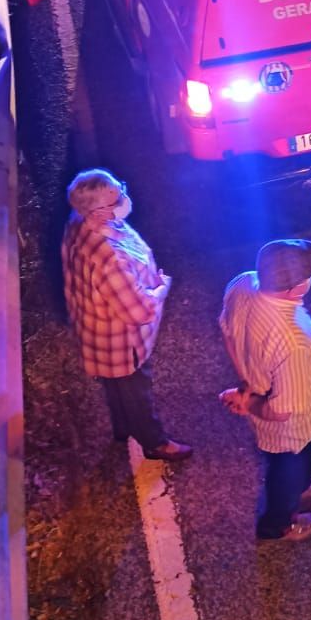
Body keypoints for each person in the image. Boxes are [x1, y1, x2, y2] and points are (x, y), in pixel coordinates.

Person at [60, 170, 191, 462]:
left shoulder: (78, 222)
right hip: (121, 342)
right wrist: (161, 287)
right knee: (136, 391)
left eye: (121, 190)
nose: (125, 200)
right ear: (98, 211)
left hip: (95, 330)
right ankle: (154, 443)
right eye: (118, 198)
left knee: (114, 384)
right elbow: (140, 312)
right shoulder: (110, 259)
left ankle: (122, 429)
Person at [219, 239, 311, 544]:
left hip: (262, 403)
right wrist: (251, 403)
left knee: (282, 462)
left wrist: (246, 383)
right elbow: (283, 410)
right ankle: (279, 525)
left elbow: (228, 333)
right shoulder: (295, 341)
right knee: (289, 467)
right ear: (297, 286)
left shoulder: (243, 282)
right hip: (293, 429)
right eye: (309, 275)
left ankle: (297, 486)